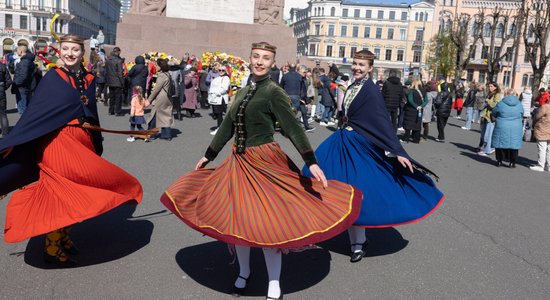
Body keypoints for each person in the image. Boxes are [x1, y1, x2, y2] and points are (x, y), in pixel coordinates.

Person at [160, 42, 362, 300]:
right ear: (250, 58)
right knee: (239, 222)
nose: (259, 61)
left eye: (265, 58)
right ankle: (244, 273)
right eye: (256, 56)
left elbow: (292, 127)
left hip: (265, 163)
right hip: (238, 164)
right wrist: (208, 154)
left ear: (272, 63)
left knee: (267, 225)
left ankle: (274, 285)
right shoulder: (242, 92)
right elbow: (227, 127)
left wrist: (310, 160)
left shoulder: (273, 91)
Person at [0, 34, 142, 267]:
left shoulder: (89, 78)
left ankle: (61, 236)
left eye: (75, 49)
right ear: (59, 50)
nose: (69, 53)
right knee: (65, 193)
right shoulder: (52, 78)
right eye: (65, 48)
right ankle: (52, 245)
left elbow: (91, 111)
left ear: (82, 52)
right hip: (57, 144)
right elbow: (35, 116)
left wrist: (96, 140)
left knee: (78, 191)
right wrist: (13, 142)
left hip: (81, 143)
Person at [303, 50, 443, 263]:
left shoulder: (371, 90)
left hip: (360, 146)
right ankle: (320, 227)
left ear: (370, 68)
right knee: (322, 180)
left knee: (357, 193)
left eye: (362, 65)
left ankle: (358, 242)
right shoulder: (352, 86)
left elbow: (382, 122)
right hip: (342, 143)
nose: (357, 67)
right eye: (355, 63)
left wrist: (397, 151)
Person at [491, 89, 523, 167]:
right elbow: (522, 113)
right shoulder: (519, 104)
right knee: (514, 145)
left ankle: (499, 161)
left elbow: (494, 112)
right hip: (516, 126)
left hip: (502, 125)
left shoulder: (501, 104)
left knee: (500, 143)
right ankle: (512, 162)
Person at [281, 64, 314, 132]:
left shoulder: (303, 78)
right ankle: (288, 128)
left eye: (306, 72)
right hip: (298, 97)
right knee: (293, 112)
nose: (305, 74)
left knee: (304, 112)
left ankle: (307, 127)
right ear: (299, 71)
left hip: (301, 98)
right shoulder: (298, 78)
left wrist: (305, 99)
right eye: (304, 72)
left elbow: (304, 89)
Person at [146, 58, 174, 141]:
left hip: (161, 97)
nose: (155, 66)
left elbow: (156, 89)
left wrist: (149, 100)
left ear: (161, 66)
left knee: (154, 114)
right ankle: (167, 135)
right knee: (166, 115)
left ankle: (151, 133)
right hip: (167, 97)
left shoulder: (161, 75)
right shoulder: (168, 74)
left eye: (157, 65)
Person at [478, 82, 502, 156]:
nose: (489, 88)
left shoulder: (497, 95)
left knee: (488, 135)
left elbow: (493, 105)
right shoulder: (490, 94)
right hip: (485, 115)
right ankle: (487, 148)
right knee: (483, 134)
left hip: (491, 117)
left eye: (491, 86)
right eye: (489, 86)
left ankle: (487, 150)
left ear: (495, 87)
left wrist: (487, 101)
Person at [12, 45, 37, 115]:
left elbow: (23, 75)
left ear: (20, 51)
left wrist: (16, 83)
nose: (16, 52)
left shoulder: (24, 61)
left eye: (17, 50)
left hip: (22, 88)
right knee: (26, 108)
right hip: (27, 86)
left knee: (22, 109)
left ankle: (24, 125)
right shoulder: (28, 60)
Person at [402, 79, 428, 144]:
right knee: (417, 125)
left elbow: (410, 100)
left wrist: (416, 106)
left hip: (410, 110)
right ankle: (416, 139)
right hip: (419, 110)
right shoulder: (424, 91)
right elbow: (426, 101)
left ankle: (406, 139)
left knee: (408, 125)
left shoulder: (411, 91)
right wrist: (421, 106)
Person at [208, 65, 230, 135]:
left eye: (222, 70)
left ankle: (220, 129)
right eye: (219, 70)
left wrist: (216, 93)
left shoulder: (226, 78)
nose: (221, 71)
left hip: (220, 99)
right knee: (217, 114)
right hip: (214, 99)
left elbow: (224, 88)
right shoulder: (217, 78)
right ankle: (221, 128)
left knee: (219, 114)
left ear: (225, 71)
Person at [530, 95, 550, 171]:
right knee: (549, 149)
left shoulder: (546, 107)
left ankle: (540, 165)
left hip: (543, 129)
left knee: (542, 148)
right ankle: (548, 166)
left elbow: (537, 116)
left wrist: (534, 123)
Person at [105, 47, 124, 116]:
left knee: (112, 96)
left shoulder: (108, 60)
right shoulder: (118, 61)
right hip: (117, 81)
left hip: (110, 81)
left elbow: (106, 71)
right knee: (118, 97)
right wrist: (122, 82)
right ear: (118, 52)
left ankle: (111, 111)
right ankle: (117, 111)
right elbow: (120, 73)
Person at [434, 77, 452, 142]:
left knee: (440, 124)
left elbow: (438, 102)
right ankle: (440, 136)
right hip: (447, 111)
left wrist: (435, 104)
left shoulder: (440, 93)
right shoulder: (450, 94)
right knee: (443, 124)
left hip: (441, 110)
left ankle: (441, 137)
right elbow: (451, 103)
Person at [0, 60, 12, 137]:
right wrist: (3, 88)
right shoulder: (3, 66)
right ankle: (5, 133)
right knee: (3, 113)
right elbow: (9, 81)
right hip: (1, 92)